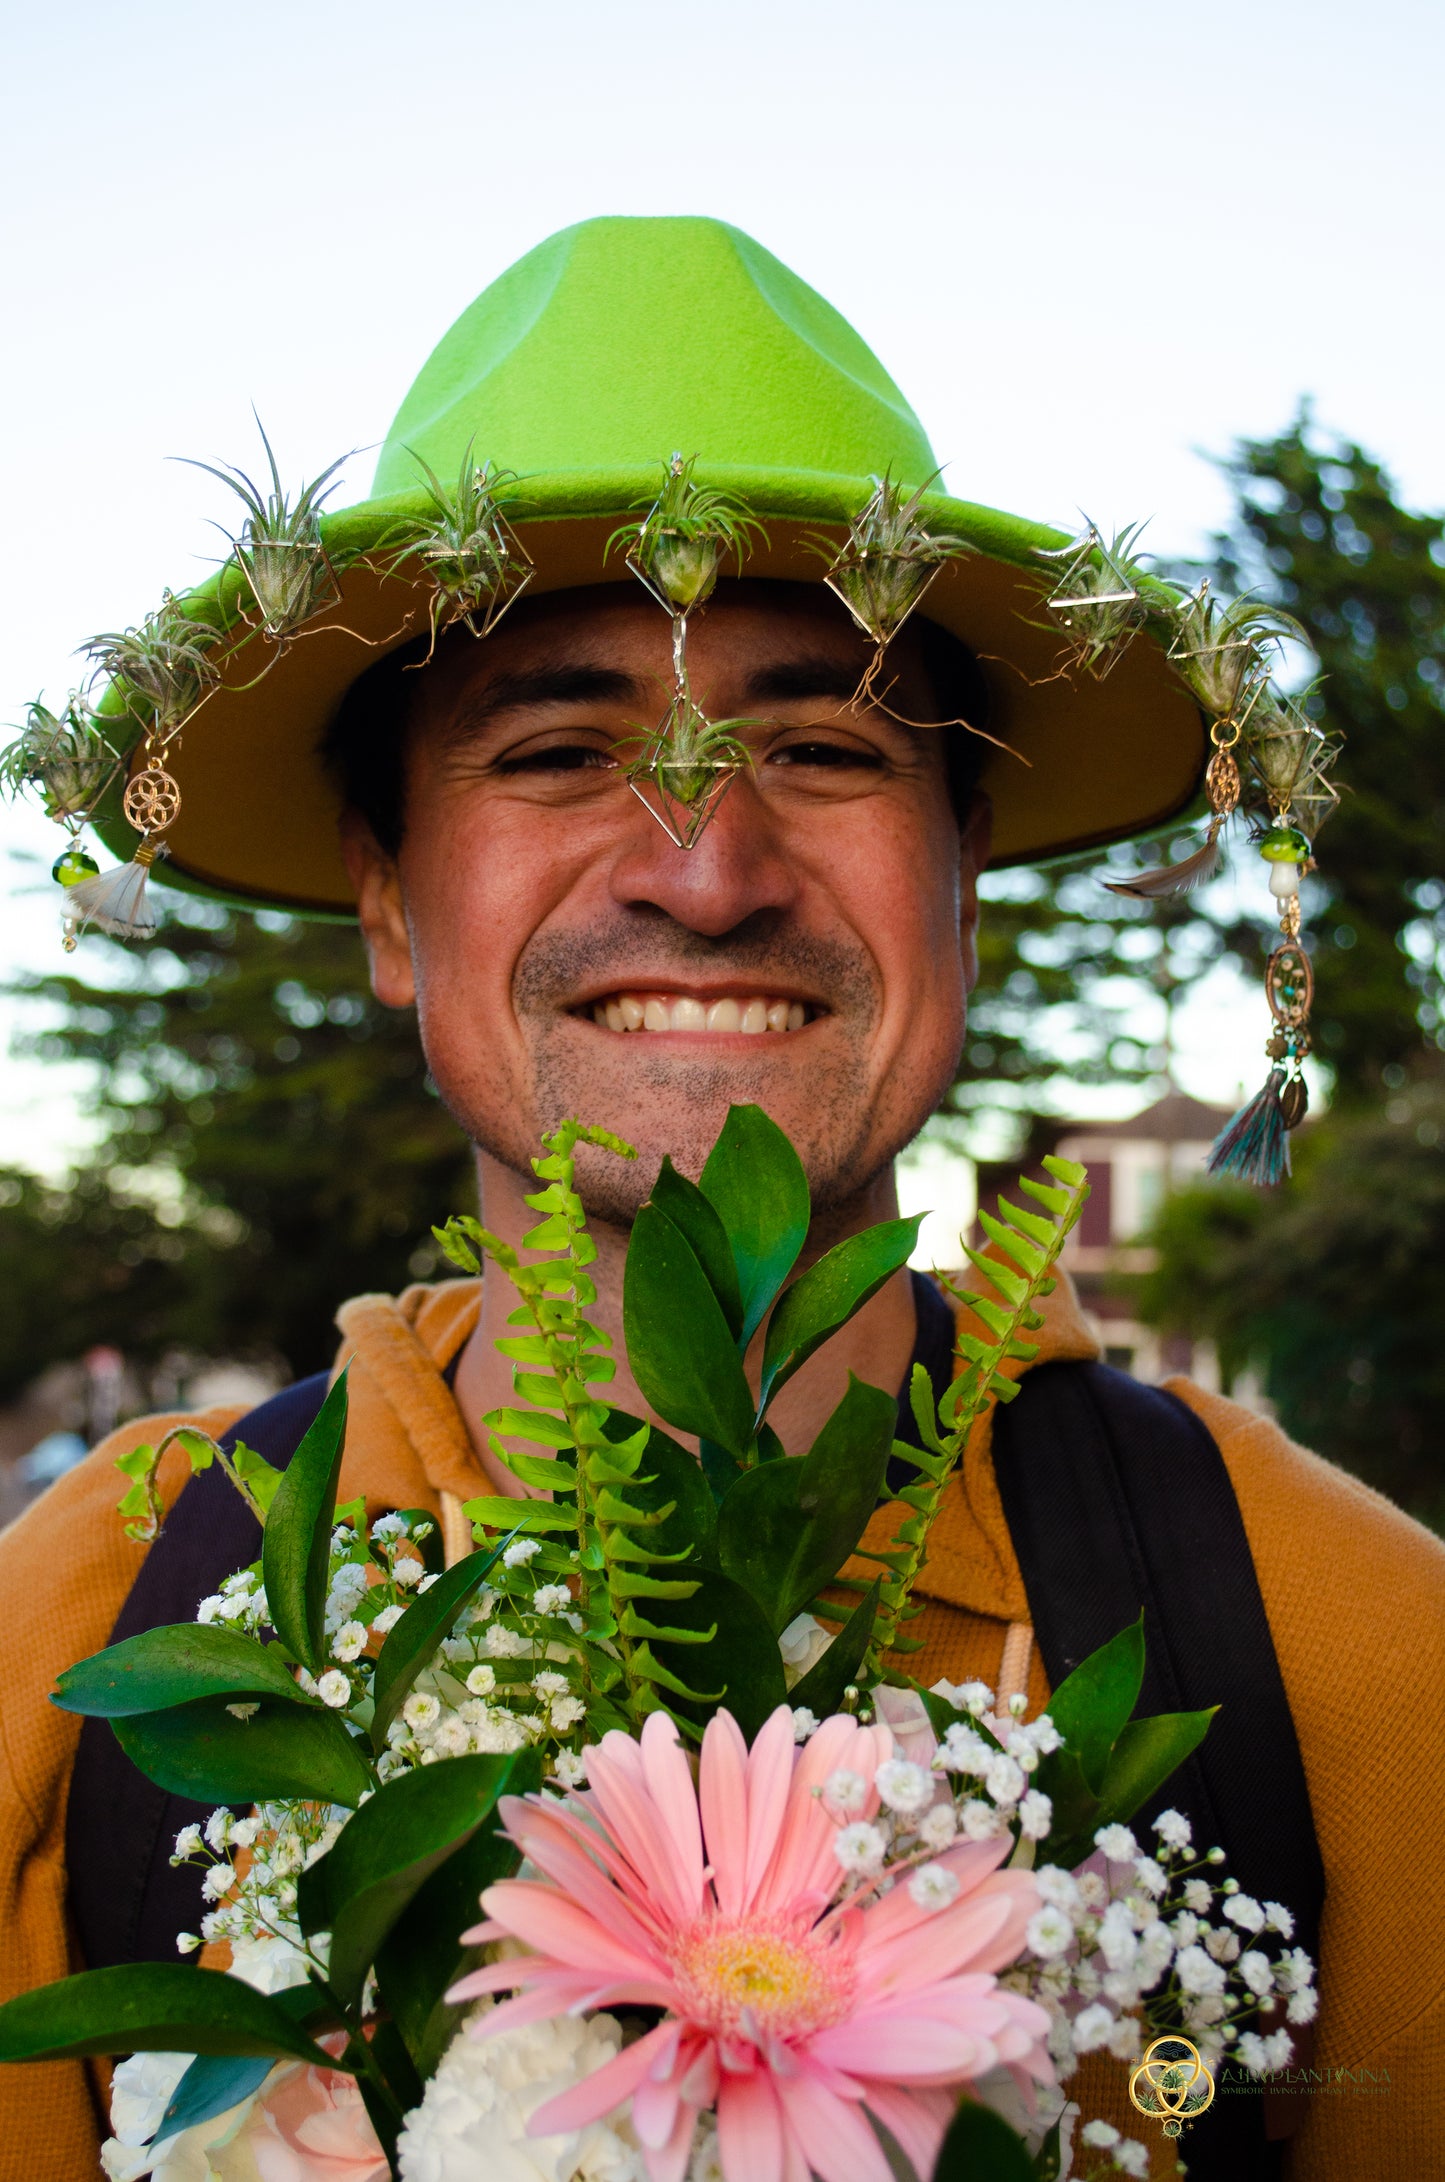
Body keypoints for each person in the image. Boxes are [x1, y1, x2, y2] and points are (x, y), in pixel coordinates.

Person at [0, 216, 1440, 2182]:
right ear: (388, 899)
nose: (707, 867)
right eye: (563, 747)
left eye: (822, 744)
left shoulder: (1349, 1645)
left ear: (969, 873)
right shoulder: (91, 1629)